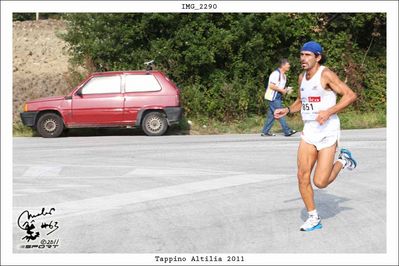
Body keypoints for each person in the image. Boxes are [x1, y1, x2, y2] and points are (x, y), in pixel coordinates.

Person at [274, 41, 358, 231]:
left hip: (328, 130)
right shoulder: (301, 78)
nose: (303, 58)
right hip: (310, 130)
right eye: (301, 55)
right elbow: (300, 102)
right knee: (302, 176)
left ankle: (343, 161)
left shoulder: (326, 74)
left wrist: (329, 111)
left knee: (320, 182)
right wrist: (287, 109)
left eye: (308, 55)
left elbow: (350, 95)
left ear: (317, 57)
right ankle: (314, 218)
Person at [261, 59, 297, 137]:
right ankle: (287, 131)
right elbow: (271, 85)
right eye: (288, 64)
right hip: (273, 98)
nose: (289, 66)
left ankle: (265, 131)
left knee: (271, 115)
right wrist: (282, 90)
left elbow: (280, 88)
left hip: (277, 97)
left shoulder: (284, 76)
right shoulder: (276, 74)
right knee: (280, 113)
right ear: (283, 65)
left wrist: (287, 90)